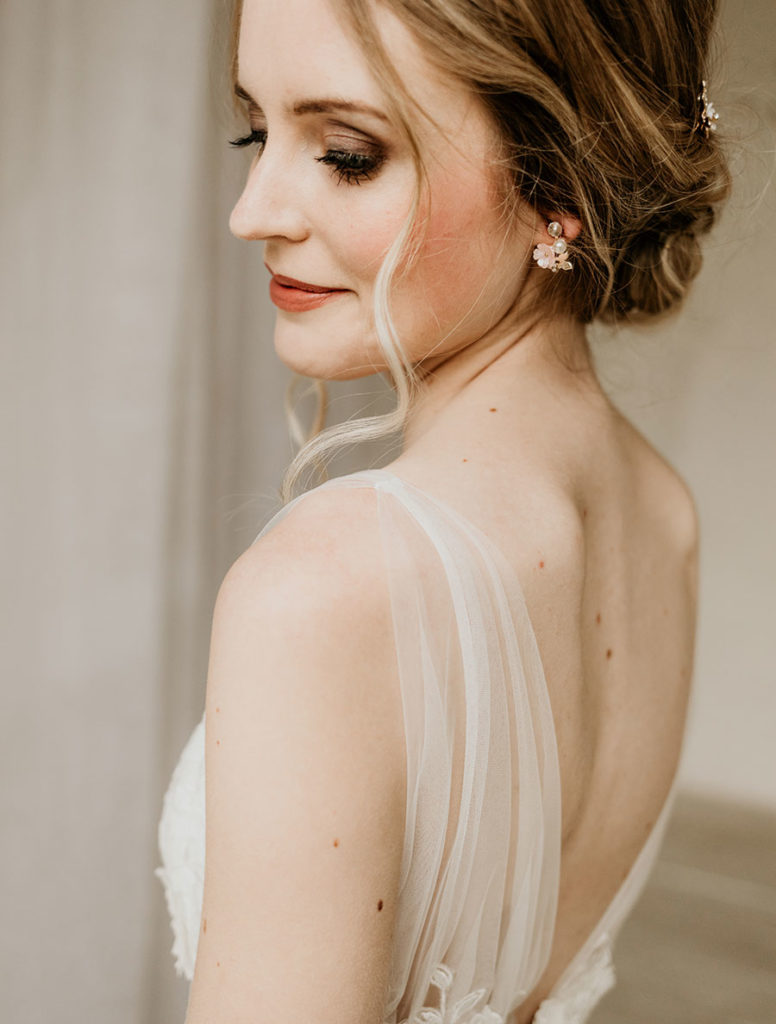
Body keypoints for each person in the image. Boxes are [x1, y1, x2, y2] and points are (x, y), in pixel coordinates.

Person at [155, 1, 732, 1022]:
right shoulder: (662, 516)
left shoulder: (322, 590)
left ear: (560, 184)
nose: (252, 210)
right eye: (255, 132)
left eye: (346, 154)